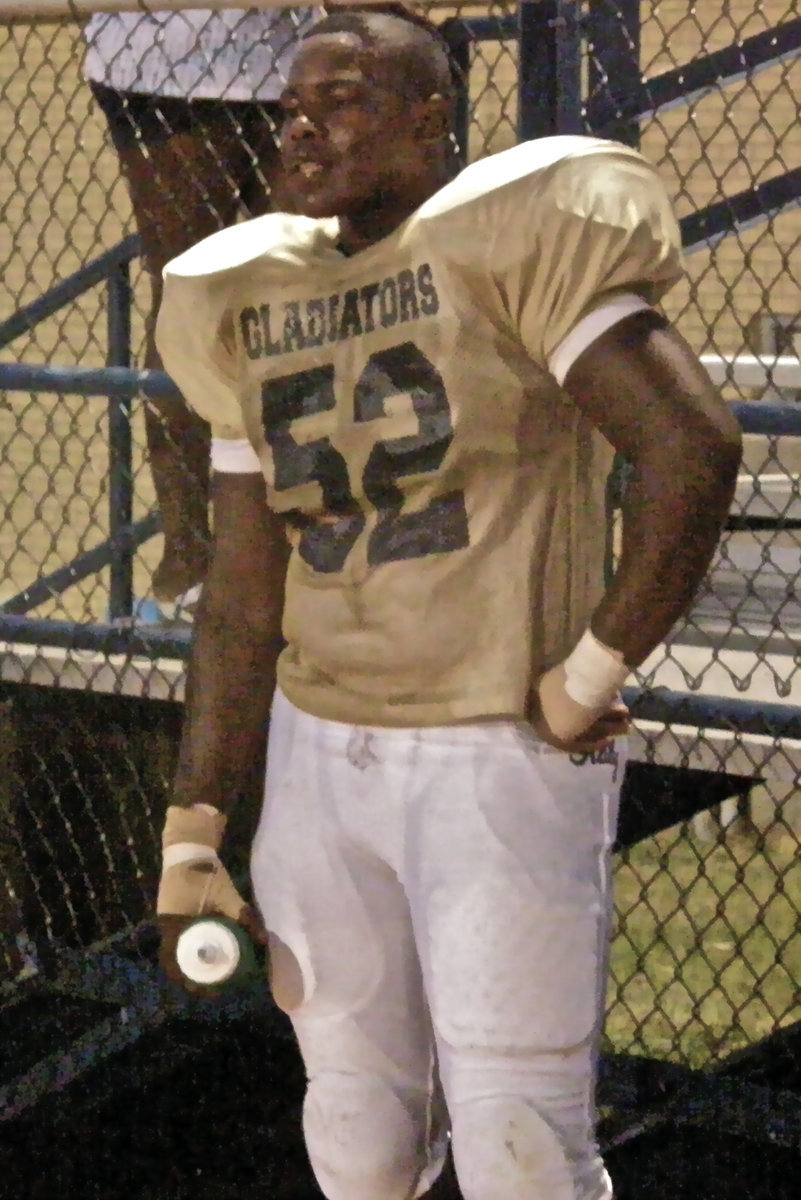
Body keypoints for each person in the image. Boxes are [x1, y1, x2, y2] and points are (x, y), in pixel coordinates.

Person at [153, 6, 742, 1199]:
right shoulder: (247, 290)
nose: (300, 123)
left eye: (343, 99)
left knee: (521, 1147)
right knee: (358, 1135)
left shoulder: (510, 237)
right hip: (320, 753)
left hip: (492, 747)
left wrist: (588, 677)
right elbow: (241, 594)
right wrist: (192, 829)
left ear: (434, 120)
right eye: (291, 103)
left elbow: (692, 445)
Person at [83, 5, 320, 616]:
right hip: (166, 59)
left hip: (288, 51)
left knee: (308, 283)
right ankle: (186, 557)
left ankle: (310, 534)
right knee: (191, 288)